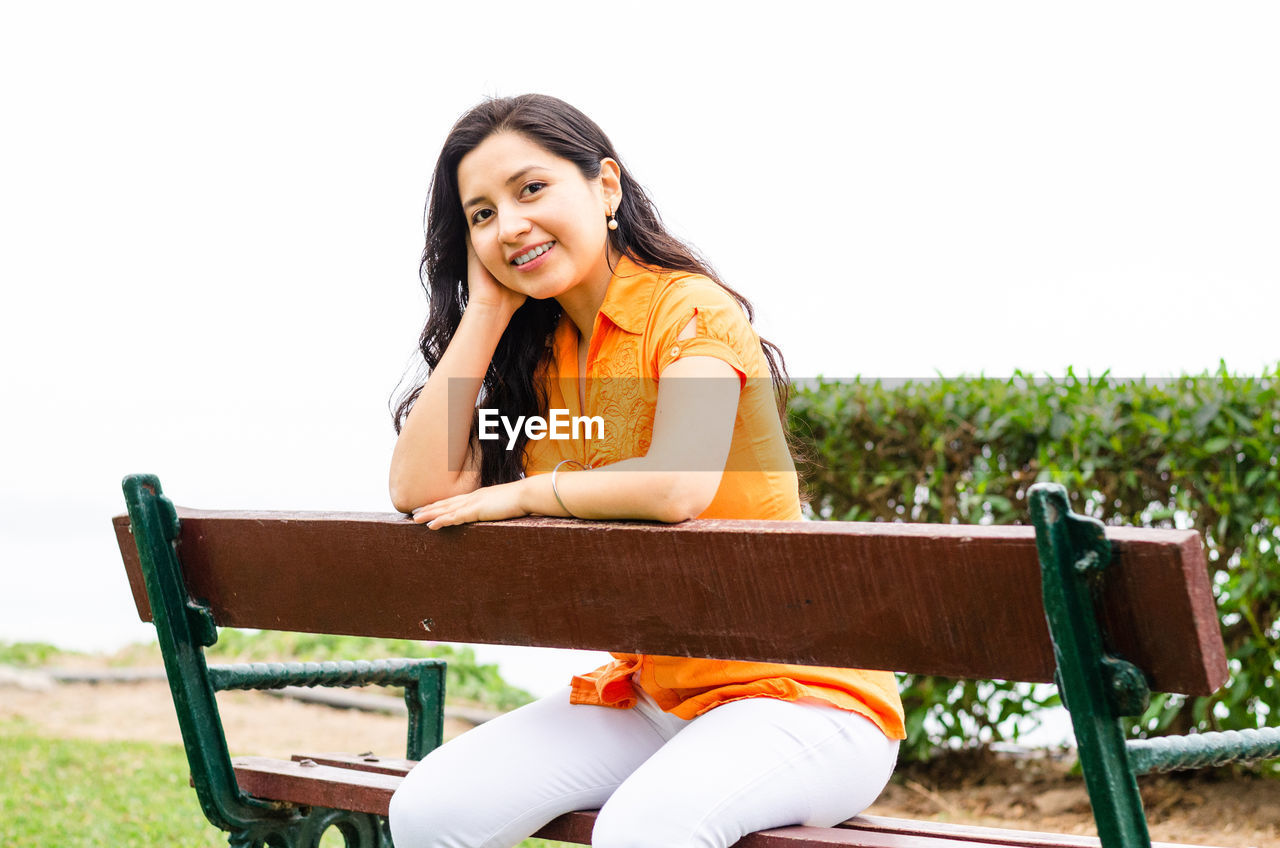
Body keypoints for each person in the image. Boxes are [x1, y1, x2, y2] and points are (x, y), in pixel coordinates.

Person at [386, 94, 904, 848]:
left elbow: (676, 485)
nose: (511, 224)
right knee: (432, 809)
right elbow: (418, 489)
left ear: (605, 187)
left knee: (646, 831)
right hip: (658, 698)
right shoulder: (541, 355)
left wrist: (528, 492)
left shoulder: (690, 310)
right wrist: (487, 311)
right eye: (482, 215)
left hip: (809, 702)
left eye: (531, 189)